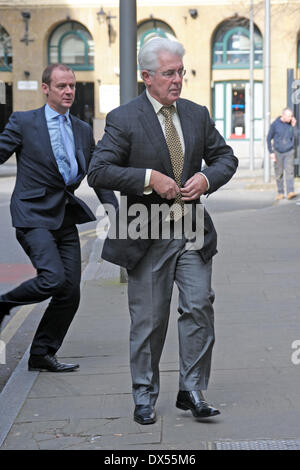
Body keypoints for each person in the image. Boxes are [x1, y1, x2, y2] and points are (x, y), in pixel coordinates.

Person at [88, 38, 238, 424]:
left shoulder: (195, 114)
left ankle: (191, 389)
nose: (177, 80)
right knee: (150, 320)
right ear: (147, 77)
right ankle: (144, 394)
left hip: (191, 230)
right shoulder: (124, 118)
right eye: (169, 73)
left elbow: (225, 157)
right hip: (145, 233)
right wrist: (148, 178)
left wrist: (206, 178)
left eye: (180, 72)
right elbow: (99, 170)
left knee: (200, 305)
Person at [0, 63, 118, 372]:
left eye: (72, 86)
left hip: (64, 218)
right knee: (52, 278)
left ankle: (41, 353)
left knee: (69, 292)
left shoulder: (80, 129)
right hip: (32, 215)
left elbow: (97, 174)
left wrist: (112, 209)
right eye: (62, 86)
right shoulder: (24, 122)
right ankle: (4, 303)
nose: (68, 91)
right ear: (46, 89)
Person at [267, 107, 298, 201]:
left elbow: (296, 136)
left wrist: (294, 126)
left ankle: (290, 192)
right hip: (277, 152)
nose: (291, 118)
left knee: (290, 172)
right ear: (283, 115)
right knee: (279, 173)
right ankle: (280, 192)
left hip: (289, 151)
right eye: (289, 116)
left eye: (292, 116)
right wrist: (271, 152)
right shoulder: (275, 124)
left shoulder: (291, 125)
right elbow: (268, 139)